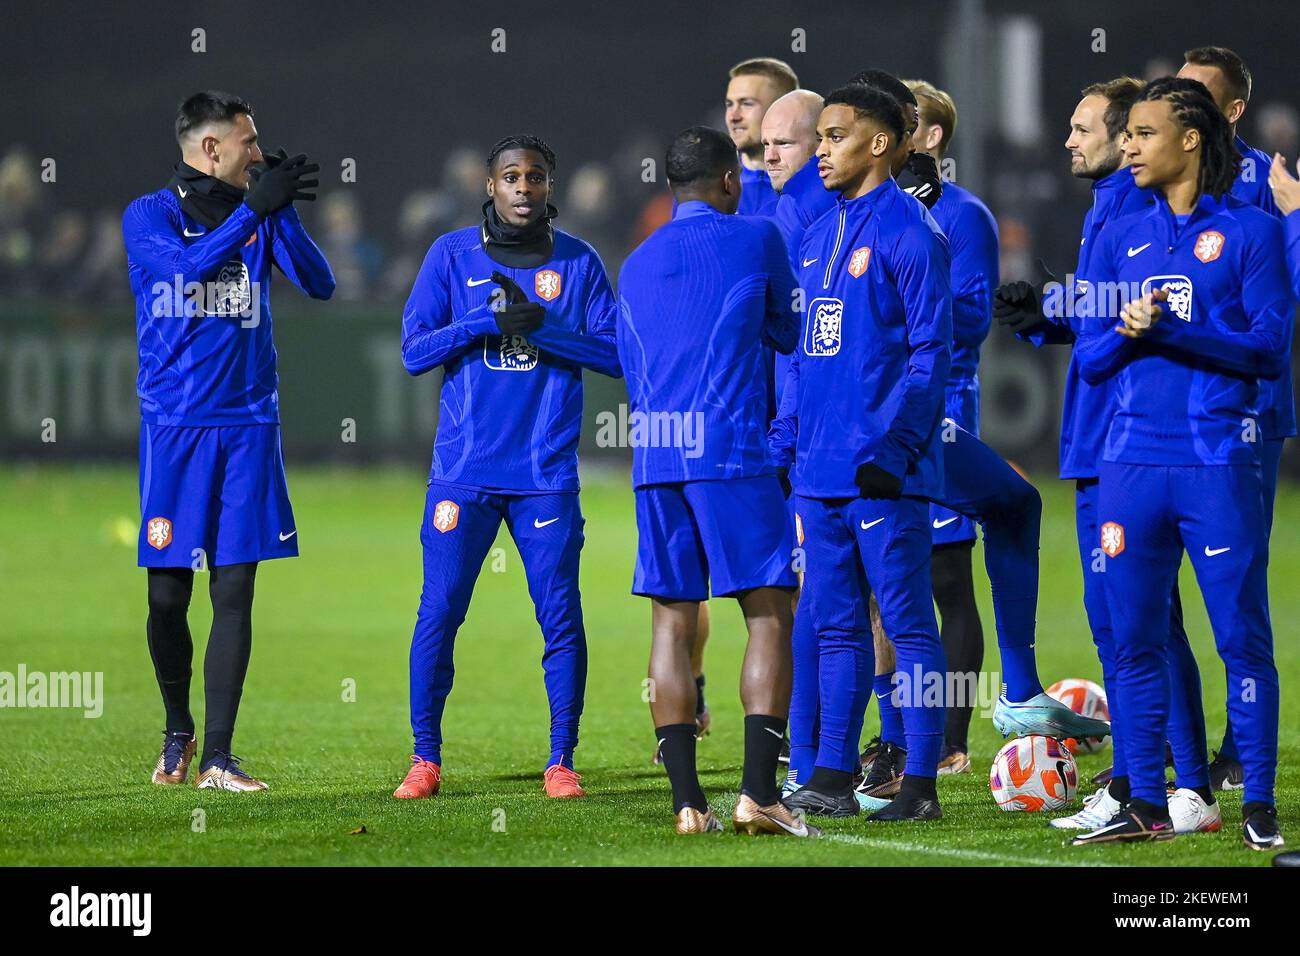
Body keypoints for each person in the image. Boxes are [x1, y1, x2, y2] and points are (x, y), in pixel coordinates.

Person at [1071, 77, 1290, 850]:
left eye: (1142, 133)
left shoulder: (1251, 235)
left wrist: (1171, 334)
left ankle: (1258, 801)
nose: (1127, 146)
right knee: (1134, 641)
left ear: (1190, 139)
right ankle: (1146, 800)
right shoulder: (1122, 235)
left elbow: (1267, 351)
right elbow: (1093, 359)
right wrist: (1129, 334)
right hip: (1129, 465)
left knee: (1241, 638)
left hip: (1215, 463)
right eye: (1125, 134)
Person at [392, 135, 621, 801]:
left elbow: (615, 357)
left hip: (544, 475)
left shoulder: (578, 261)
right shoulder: (449, 255)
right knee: (438, 612)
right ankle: (425, 759)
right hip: (463, 474)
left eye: (537, 177)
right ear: (490, 187)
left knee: (560, 618)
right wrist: (479, 325)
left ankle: (561, 760)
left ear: (551, 187)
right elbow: (413, 351)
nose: (524, 187)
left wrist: (542, 327)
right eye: (512, 177)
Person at [122, 90, 333, 792]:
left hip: (248, 427)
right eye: (248, 140)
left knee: (235, 589)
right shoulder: (149, 216)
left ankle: (217, 755)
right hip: (176, 428)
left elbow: (321, 284)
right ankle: (177, 728)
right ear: (210, 149)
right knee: (166, 597)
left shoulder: (260, 218)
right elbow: (183, 275)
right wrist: (252, 211)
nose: (259, 150)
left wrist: (283, 213)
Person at [617, 126, 811, 837]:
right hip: (730, 452)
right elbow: (791, 332)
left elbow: (628, 357)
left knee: (672, 622)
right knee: (767, 611)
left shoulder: (635, 261)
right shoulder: (755, 237)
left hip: (655, 462)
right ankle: (761, 793)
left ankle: (686, 806)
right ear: (730, 180)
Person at [775, 84, 952, 822]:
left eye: (834, 136)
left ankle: (919, 786)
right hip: (818, 473)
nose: (820, 149)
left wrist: (899, 446)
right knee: (838, 624)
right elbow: (802, 354)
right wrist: (785, 442)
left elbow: (930, 356)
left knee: (907, 624)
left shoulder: (914, 234)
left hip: (884, 470)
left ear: (879, 143)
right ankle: (833, 777)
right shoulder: (818, 234)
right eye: (817, 136)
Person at [1178, 46, 1294, 792]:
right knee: (1142, 597)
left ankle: (1236, 752)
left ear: (1233, 111)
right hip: (1152, 424)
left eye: (1196, 97)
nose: (1176, 105)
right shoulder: (1154, 175)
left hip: (1242, 417)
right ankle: (1168, 742)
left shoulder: (1263, 188)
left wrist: (1296, 215)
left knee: (1235, 595)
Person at [902, 78, 999, 774]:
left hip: (942, 415)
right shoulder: (871, 210)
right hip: (878, 414)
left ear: (932, 137)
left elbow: (972, 317)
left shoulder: (967, 217)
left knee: (946, 579)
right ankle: (896, 731)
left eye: (901, 122)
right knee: (883, 583)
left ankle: (955, 742)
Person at [726, 57, 799, 216]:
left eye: (747, 103)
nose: (733, 116)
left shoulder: (819, 184)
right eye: (729, 104)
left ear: (782, 109)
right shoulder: (706, 186)